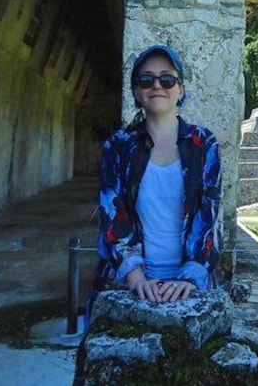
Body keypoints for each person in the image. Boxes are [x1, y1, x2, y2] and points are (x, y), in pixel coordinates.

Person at [92, 44, 221, 308]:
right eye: (146, 80)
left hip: (188, 284)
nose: (157, 86)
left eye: (167, 79)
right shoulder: (119, 146)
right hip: (130, 282)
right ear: (137, 91)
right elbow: (114, 215)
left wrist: (190, 277)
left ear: (181, 89)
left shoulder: (203, 143)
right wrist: (135, 277)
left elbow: (208, 214)